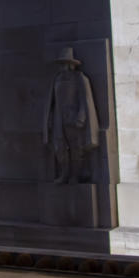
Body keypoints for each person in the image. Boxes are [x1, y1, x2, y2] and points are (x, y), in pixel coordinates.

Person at [43, 47, 100, 184]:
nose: (62, 67)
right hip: (59, 118)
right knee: (59, 146)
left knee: (76, 148)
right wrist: (49, 118)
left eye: (64, 63)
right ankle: (64, 173)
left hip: (73, 118)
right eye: (61, 64)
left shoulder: (79, 78)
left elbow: (85, 98)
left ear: (70, 64)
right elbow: (52, 101)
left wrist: (81, 116)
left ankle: (76, 175)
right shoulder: (57, 79)